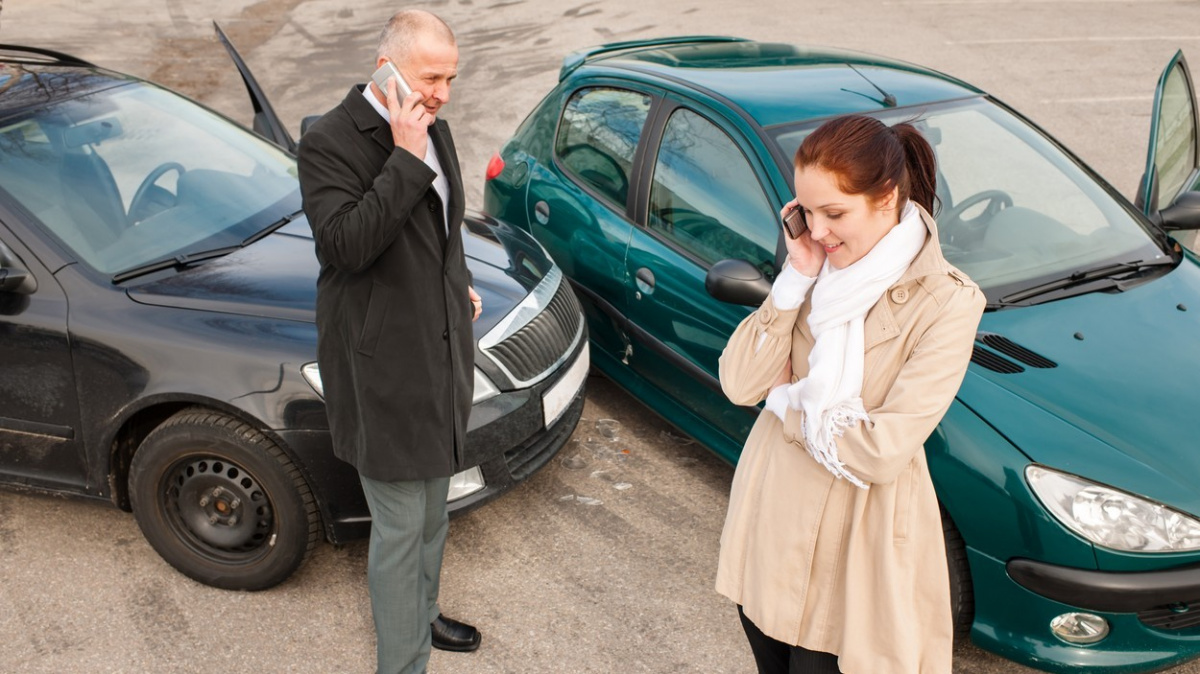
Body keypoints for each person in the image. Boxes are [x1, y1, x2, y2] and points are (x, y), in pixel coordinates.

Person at [715, 114, 986, 674]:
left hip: (858, 542)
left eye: (834, 213)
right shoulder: (816, 270)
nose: (817, 230)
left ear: (886, 196)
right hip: (773, 520)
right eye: (806, 212)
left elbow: (881, 450)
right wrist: (794, 279)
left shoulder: (948, 302)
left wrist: (787, 402)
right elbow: (741, 383)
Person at [297, 9, 481, 674]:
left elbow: (443, 228)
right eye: (432, 76)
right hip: (383, 370)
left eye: (451, 78)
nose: (443, 93)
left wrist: (451, 284)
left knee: (435, 512)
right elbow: (346, 245)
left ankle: (422, 616)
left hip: (438, 351)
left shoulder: (438, 127)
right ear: (387, 66)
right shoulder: (329, 142)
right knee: (402, 530)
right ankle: (401, 663)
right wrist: (404, 157)